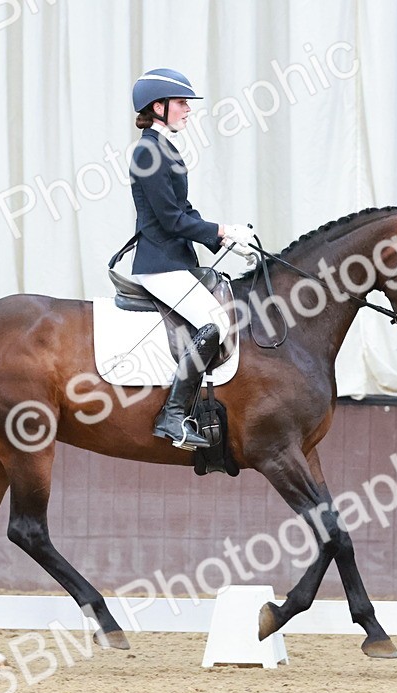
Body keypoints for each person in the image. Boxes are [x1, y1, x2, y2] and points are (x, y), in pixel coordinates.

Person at [128, 68, 257, 449]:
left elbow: (185, 210)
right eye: (182, 103)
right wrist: (220, 232)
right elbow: (169, 218)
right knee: (214, 324)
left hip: (175, 259)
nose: (187, 110)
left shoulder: (165, 148)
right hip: (159, 263)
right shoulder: (147, 152)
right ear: (159, 106)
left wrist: (226, 236)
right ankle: (171, 416)